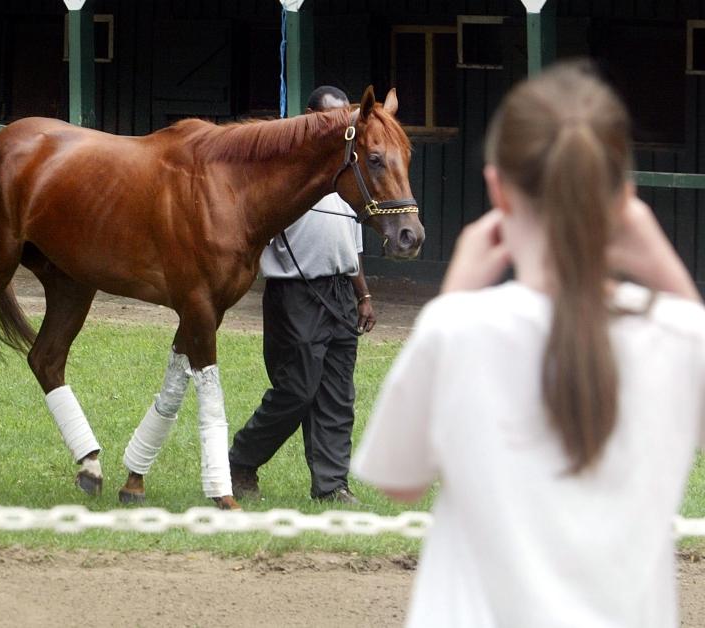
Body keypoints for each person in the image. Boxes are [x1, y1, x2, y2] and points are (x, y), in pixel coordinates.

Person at [353, 61, 705, 627]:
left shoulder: (458, 330)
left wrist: (455, 294)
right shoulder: (681, 335)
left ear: (498, 189)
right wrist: (660, 257)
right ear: (624, 196)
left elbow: (400, 481)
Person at [228, 86, 374, 505]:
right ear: (309, 117)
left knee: (337, 394)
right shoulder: (285, 174)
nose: (335, 127)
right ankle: (241, 460)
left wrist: (363, 294)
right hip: (296, 291)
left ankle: (331, 486)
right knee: (297, 390)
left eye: (341, 118)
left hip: (341, 291)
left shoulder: (349, 174)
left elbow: (353, 243)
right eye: (327, 118)